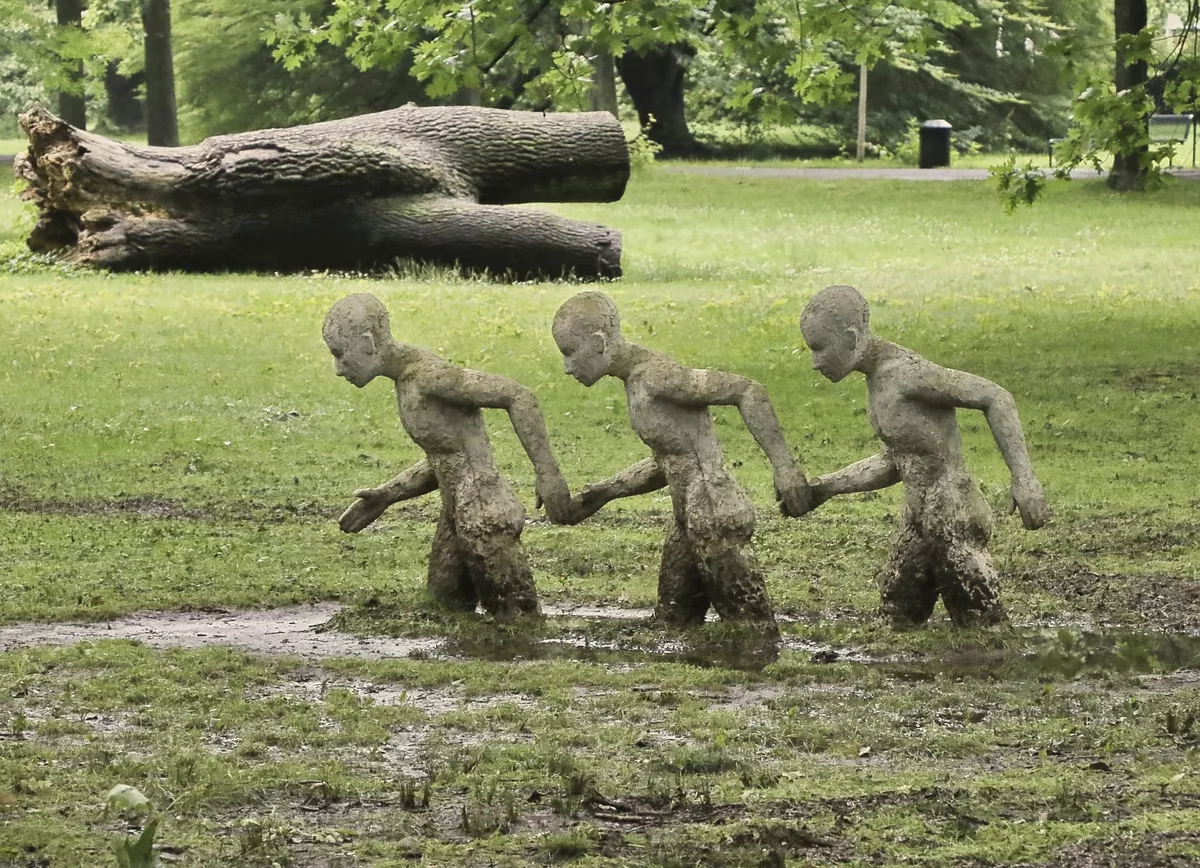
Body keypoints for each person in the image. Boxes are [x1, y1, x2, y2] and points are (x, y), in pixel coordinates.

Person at [549, 291, 811, 633]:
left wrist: (785, 467)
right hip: (687, 514)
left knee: (752, 628)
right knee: (672, 621)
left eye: (571, 354)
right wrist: (602, 493)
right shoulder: (633, 383)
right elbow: (669, 461)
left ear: (599, 343)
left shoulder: (657, 376)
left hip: (712, 510)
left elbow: (747, 390)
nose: (568, 367)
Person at [798, 284, 1050, 627]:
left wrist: (1025, 479)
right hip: (918, 520)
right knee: (896, 616)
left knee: (984, 626)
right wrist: (826, 487)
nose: (815, 363)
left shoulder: (906, 374)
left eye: (819, 349)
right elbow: (897, 461)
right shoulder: (876, 381)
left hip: (953, 515)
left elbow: (995, 396)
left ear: (852, 338)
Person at [323, 293, 571, 619]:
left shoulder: (427, 377)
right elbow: (446, 456)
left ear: (368, 343)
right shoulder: (406, 382)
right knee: (445, 604)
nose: (338, 369)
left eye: (340, 355)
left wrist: (547, 473)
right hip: (456, 512)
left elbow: (517, 395)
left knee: (517, 618)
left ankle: (524, 666)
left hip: (482, 510)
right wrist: (387, 495)